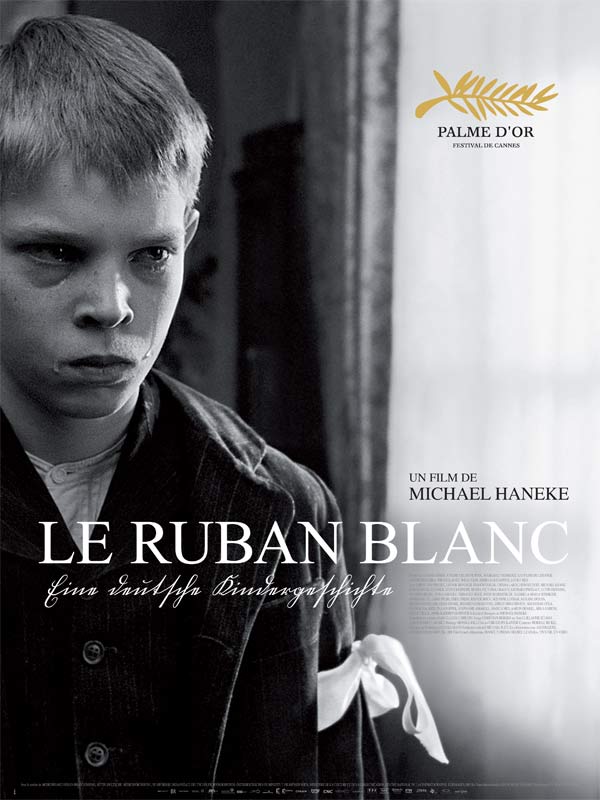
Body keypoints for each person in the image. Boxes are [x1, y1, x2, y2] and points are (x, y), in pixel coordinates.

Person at [0, 14, 387, 800]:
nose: (113, 305)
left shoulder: (280, 513)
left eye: (152, 254)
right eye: (57, 252)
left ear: (188, 237)